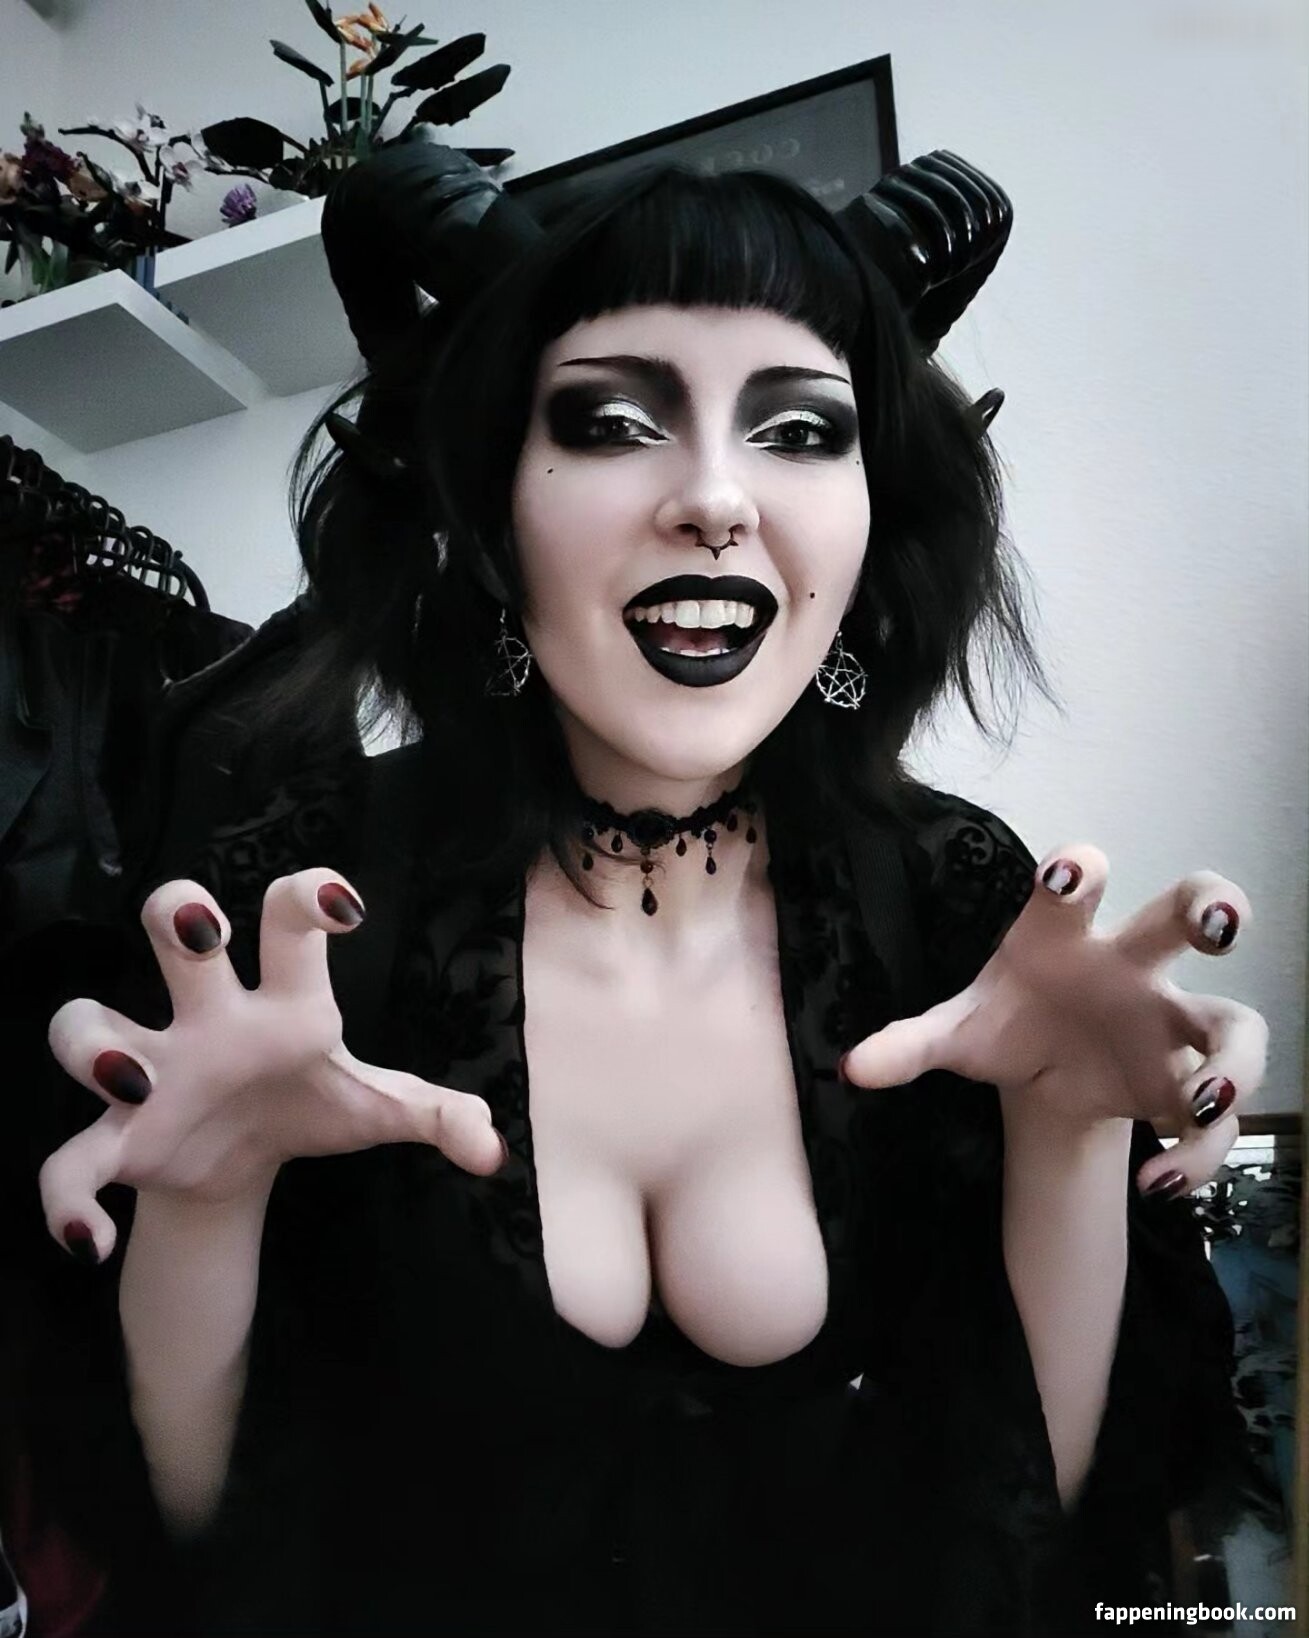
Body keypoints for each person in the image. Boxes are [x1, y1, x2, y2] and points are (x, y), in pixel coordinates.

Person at [18, 142, 1265, 1635]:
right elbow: (204, 1552)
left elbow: (1023, 1535)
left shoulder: (965, 904)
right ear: (490, 506)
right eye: (611, 421)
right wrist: (207, 1207)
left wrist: (1065, 1131)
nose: (716, 499)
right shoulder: (299, 912)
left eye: (801, 430)